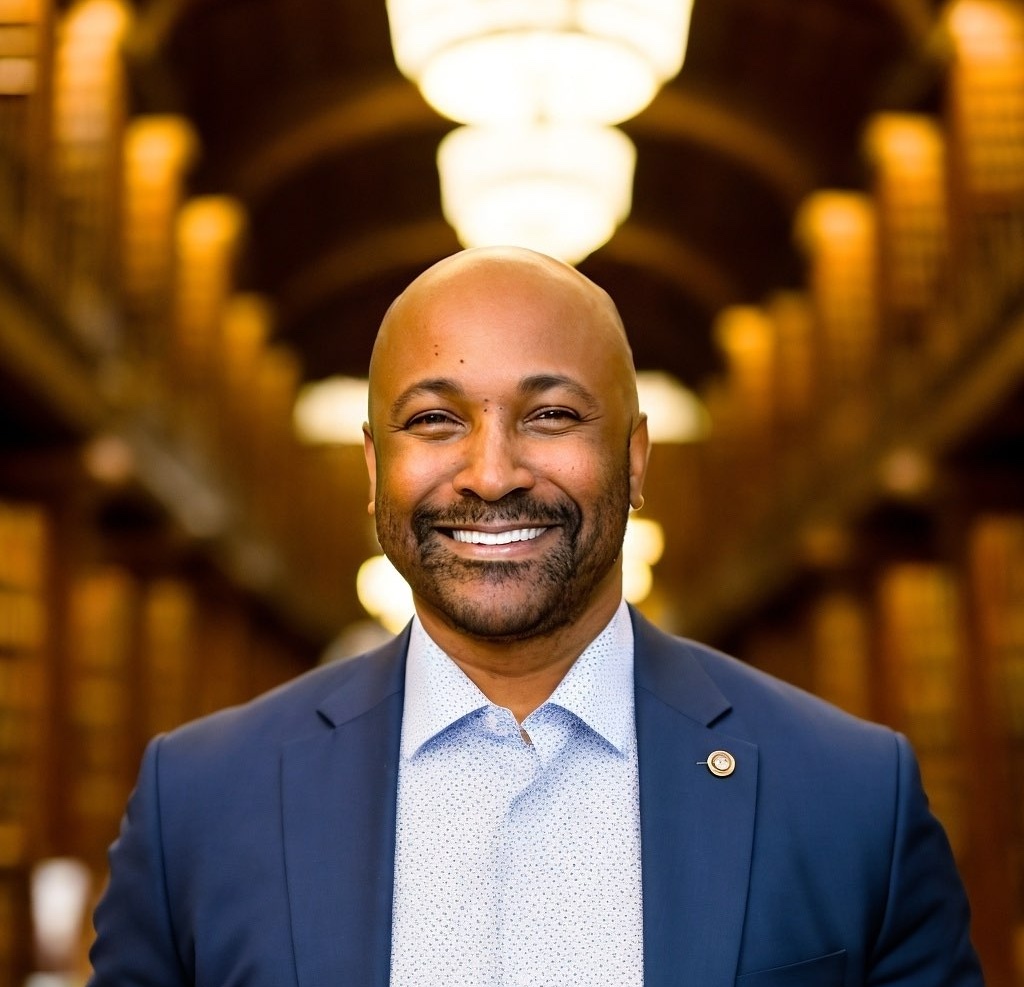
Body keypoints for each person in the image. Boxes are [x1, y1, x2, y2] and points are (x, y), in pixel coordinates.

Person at [88, 247, 984, 986]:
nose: (491, 472)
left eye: (550, 414)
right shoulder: (197, 806)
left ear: (634, 460)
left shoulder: (852, 797)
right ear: (372, 471)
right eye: (434, 420)